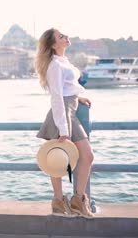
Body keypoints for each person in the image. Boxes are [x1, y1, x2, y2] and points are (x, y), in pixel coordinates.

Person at [35, 28, 94, 218]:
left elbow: (69, 88)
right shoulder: (54, 66)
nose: (66, 37)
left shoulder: (63, 61)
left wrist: (80, 97)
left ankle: (78, 199)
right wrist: (63, 128)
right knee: (58, 158)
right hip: (62, 114)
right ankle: (59, 201)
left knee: (87, 156)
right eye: (61, 37)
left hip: (72, 109)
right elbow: (57, 98)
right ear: (53, 44)